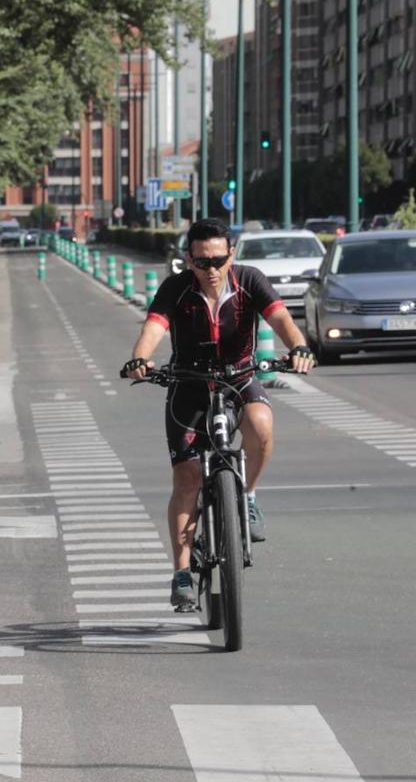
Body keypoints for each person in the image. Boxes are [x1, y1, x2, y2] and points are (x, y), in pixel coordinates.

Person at [121, 219, 314, 611]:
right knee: (187, 478)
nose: (211, 269)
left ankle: (249, 494)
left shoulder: (250, 280)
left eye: (218, 260)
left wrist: (298, 347)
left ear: (232, 255)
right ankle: (180, 573)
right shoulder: (176, 288)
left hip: (239, 376)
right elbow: (154, 327)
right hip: (188, 383)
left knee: (261, 424)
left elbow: (281, 320)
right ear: (187, 259)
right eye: (201, 261)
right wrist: (140, 358)